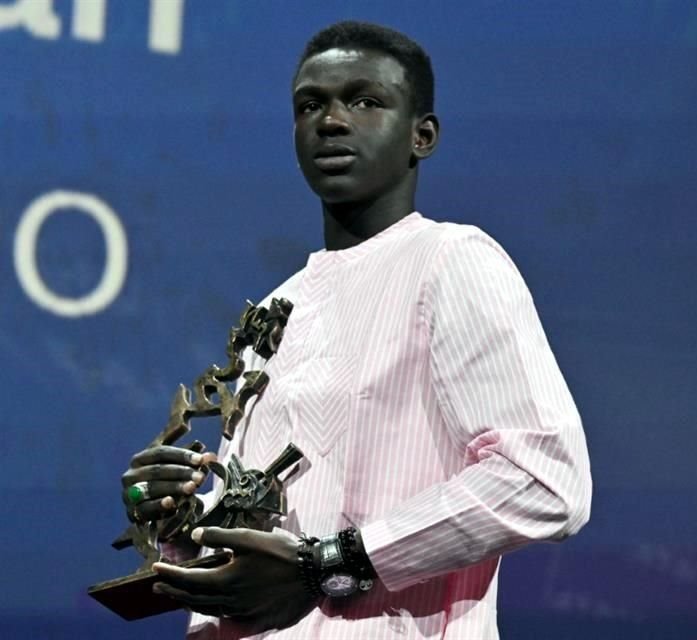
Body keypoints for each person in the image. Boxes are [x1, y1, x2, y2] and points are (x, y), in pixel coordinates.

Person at [119, 20, 591, 639]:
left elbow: (545, 478)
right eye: (310, 105)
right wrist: (179, 524)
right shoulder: (275, 308)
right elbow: (270, 540)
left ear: (422, 135)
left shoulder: (450, 261)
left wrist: (331, 565)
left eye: (365, 101)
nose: (332, 121)